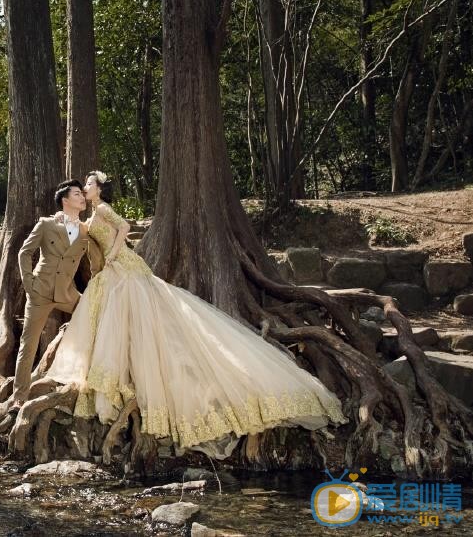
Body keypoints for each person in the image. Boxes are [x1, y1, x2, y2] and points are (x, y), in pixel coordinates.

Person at [46, 170, 347, 459]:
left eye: (88, 185)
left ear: (98, 189)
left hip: (125, 267)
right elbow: (81, 231)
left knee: (140, 315)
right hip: (112, 274)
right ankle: (121, 377)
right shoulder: (92, 216)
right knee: (121, 321)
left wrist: (112, 253)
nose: (85, 189)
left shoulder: (104, 209)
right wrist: (63, 219)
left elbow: (124, 228)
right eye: (82, 188)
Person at [14, 179, 104, 407]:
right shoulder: (46, 224)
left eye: (82, 194)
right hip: (39, 292)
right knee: (29, 344)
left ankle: (90, 383)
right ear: (65, 200)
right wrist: (29, 285)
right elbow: (24, 253)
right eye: (76, 194)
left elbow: (96, 259)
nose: (82, 197)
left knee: (97, 321)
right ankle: (19, 399)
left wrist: (98, 285)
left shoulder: (86, 229)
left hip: (67, 293)